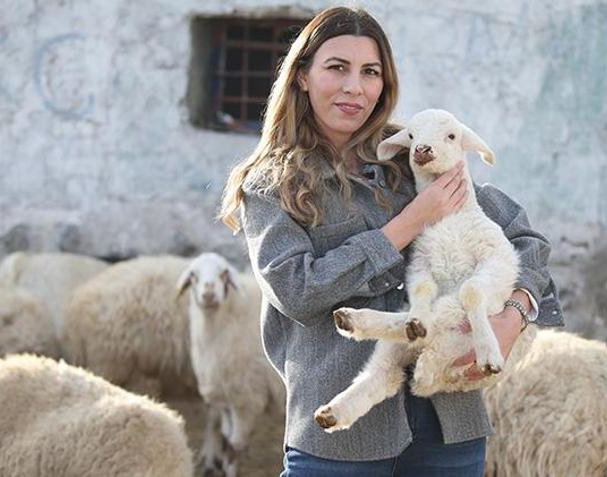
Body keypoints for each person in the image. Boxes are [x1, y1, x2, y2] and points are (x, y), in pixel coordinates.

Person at [218, 6, 563, 476]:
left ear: (385, 83)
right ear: (301, 76)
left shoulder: (418, 155)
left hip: (450, 424)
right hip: (342, 440)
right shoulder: (270, 186)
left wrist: (514, 314)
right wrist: (408, 223)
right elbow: (297, 292)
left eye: (370, 72)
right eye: (337, 67)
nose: (354, 87)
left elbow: (525, 240)